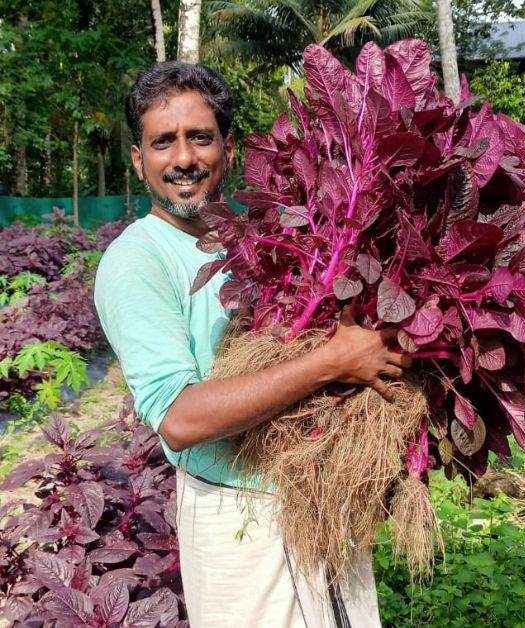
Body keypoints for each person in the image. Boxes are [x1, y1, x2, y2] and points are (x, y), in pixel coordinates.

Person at [95, 62, 406, 627]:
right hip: (237, 515)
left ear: (229, 150)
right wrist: (332, 361)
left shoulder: (264, 238)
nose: (184, 158)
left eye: (200, 138)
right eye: (163, 142)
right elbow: (180, 418)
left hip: (317, 499)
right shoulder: (135, 261)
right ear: (139, 160)